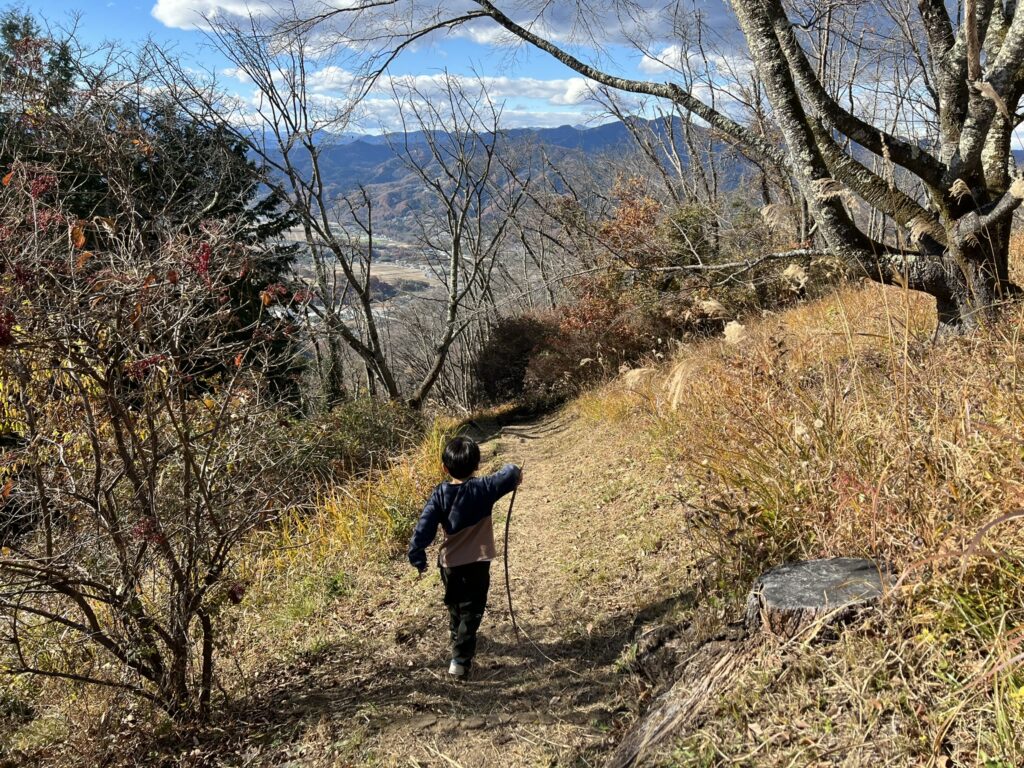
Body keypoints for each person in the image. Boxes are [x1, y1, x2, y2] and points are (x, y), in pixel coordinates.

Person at [408, 436, 522, 679]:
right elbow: (510, 473)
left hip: (449, 564)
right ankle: (460, 661)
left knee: (455, 606)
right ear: (477, 466)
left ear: (444, 468)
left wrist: (417, 554)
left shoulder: (440, 494)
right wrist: (516, 471)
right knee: (472, 613)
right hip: (477, 565)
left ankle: (456, 638)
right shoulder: (484, 488)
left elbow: (424, 527)